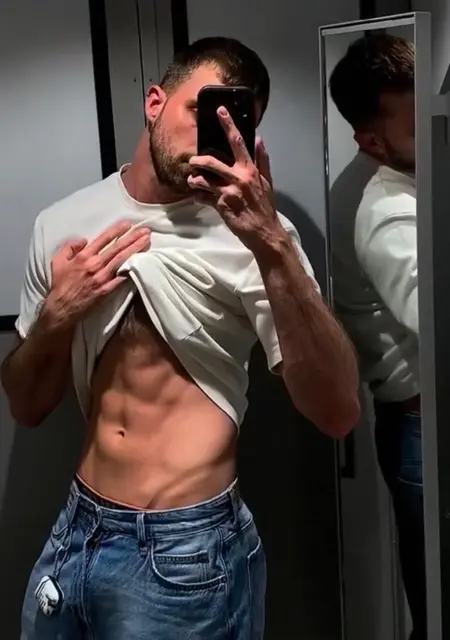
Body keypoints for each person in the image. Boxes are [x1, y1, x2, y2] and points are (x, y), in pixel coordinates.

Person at [2, 37, 360, 640]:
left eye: (233, 122)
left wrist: (271, 242)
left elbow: (337, 411)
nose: (210, 135)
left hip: (186, 551)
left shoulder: (256, 234)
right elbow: (26, 404)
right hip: (76, 530)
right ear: (154, 102)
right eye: (201, 110)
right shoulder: (62, 224)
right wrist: (59, 313)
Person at [329, 35, 424, 639]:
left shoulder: (408, 178)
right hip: (420, 423)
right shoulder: (387, 211)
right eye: (416, 124)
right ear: (371, 141)